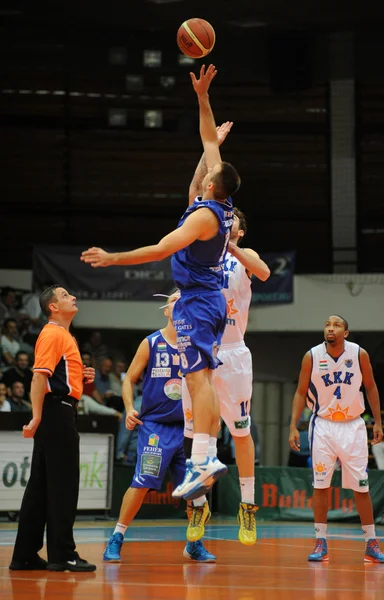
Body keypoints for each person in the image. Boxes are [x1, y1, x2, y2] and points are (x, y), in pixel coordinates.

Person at [81, 64, 241, 500]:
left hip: (199, 299)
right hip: (201, 299)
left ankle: (205, 456)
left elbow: (158, 250)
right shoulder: (216, 197)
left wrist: (113, 258)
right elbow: (209, 140)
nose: (207, 169)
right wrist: (203, 96)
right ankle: (204, 455)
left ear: (211, 184)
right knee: (197, 379)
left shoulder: (206, 216)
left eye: (209, 171)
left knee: (200, 380)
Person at [103, 291, 215, 563]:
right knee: (142, 483)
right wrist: (129, 408)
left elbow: (210, 390)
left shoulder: (198, 346)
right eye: (176, 301)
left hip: (189, 428)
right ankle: (116, 537)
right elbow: (128, 379)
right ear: (167, 311)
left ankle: (194, 543)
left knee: (194, 488)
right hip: (156, 427)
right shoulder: (151, 343)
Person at [182, 206, 270, 546]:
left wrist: (229, 246)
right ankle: (198, 505)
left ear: (240, 230)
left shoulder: (243, 254)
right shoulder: (200, 253)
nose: (224, 221)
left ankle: (247, 505)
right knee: (198, 433)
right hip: (200, 351)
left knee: (241, 431)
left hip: (233, 353)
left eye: (231, 220)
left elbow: (263, 273)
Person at [289, 315, 384, 564]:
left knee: (361, 487)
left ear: (346, 333)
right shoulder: (312, 356)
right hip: (323, 426)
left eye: (336, 325)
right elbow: (301, 392)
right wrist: (292, 426)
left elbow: (371, 387)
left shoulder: (359, 354)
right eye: (327, 324)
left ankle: (371, 543)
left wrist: (377, 421)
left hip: (353, 426)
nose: (330, 327)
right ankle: (320, 542)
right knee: (321, 485)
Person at [9, 284, 96, 572]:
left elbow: (58, 378)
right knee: (63, 487)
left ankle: (25, 555)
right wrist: (35, 417)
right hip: (57, 413)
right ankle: (63, 554)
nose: (73, 296)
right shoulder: (54, 333)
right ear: (53, 307)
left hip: (56, 410)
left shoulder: (62, 335)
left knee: (40, 488)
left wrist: (82, 379)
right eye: (64, 295)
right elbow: (38, 378)